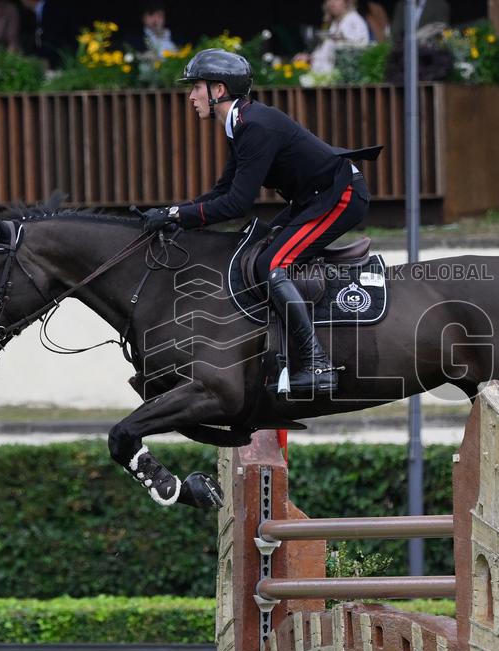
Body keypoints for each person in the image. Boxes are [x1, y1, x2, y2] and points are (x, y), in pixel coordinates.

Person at [141, 49, 378, 394]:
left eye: (196, 87)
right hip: (314, 198)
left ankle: (318, 365)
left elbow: (237, 204)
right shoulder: (240, 124)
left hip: (340, 196)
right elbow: (222, 190)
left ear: (218, 90)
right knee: (256, 250)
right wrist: (173, 213)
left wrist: (176, 215)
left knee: (272, 263)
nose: (191, 96)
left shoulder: (253, 126)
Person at [309, 0, 370, 74]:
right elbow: (325, 51)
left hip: (347, 73)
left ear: (346, 2)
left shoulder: (354, 20)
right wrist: (310, 57)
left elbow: (360, 48)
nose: (332, 3)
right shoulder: (334, 24)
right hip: (329, 73)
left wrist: (341, 39)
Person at [19, 0, 76, 68]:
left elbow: (56, 40)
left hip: (63, 62)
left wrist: (48, 60)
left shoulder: (53, 10)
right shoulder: (39, 12)